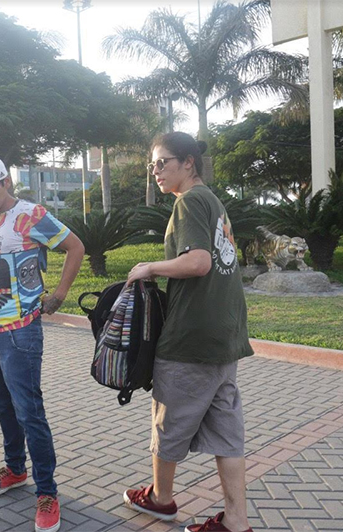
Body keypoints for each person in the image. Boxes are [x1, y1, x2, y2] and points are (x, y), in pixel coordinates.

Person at [122, 133, 254, 532]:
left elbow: (198, 263)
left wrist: (149, 267)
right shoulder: (213, 202)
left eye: (163, 163)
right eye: (153, 165)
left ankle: (161, 500)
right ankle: (236, 522)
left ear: (189, 164)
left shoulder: (189, 202)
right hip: (223, 337)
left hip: (190, 339)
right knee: (227, 434)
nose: (156, 171)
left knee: (168, 423)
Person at [0, 154, 84, 532]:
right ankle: (16, 468)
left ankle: (47, 492)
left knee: (29, 411)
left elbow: (75, 247)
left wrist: (59, 295)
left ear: (7, 182)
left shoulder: (32, 215)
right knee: (2, 405)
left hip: (21, 331)